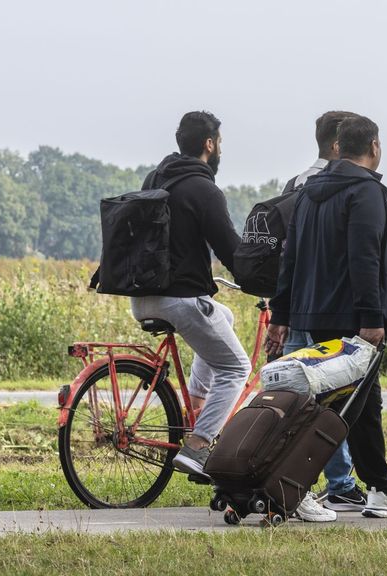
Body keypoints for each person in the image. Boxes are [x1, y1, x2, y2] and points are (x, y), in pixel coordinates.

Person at [266, 114, 387, 519]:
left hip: (315, 313)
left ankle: (380, 489)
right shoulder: (366, 192)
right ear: (374, 147)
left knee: (359, 405)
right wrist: (372, 317)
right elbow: (365, 258)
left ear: (338, 147)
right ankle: (292, 485)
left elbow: (291, 258)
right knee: (339, 408)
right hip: (354, 317)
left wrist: (281, 314)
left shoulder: (309, 192)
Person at [130, 111, 251, 479]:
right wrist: (262, 278)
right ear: (209, 144)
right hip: (181, 299)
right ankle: (198, 446)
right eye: (220, 143)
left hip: (141, 297)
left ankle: (196, 404)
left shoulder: (154, 178)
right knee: (237, 368)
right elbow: (229, 249)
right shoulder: (203, 189)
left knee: (223, 316)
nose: (220, 150)